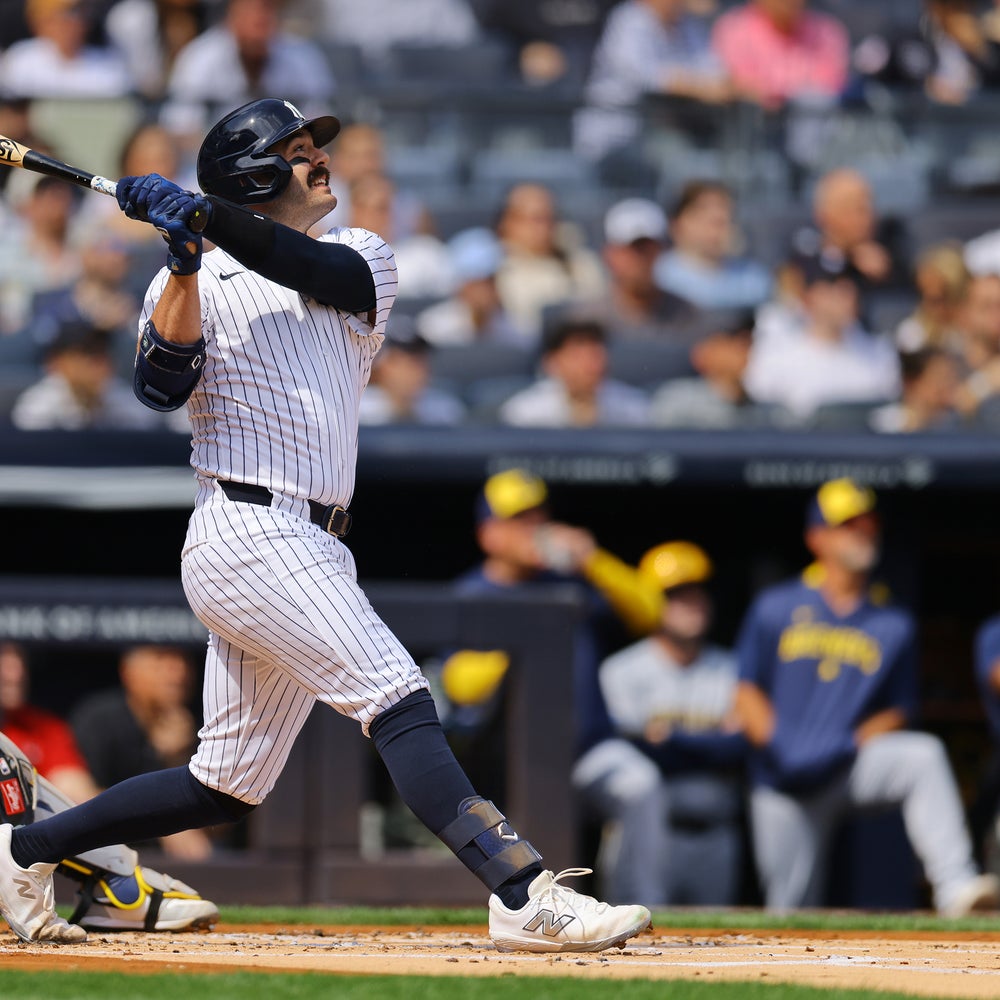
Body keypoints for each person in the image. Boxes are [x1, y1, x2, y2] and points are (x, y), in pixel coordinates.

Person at [0, 97, 651, 951]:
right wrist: (190, 261)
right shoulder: (180, 280)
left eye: (315, 148)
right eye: (299, 151)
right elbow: (161, 385)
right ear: (256, 172)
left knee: (224, 787)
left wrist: (212, 220)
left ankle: (24, 849)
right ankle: (522, 892)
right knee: (397, 693)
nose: (320, 162)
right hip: (246, 527)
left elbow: (311, 271)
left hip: (311, 539)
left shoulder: (359, 255)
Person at [733, 477, 1000, 915]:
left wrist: (848, 742)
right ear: (816, 537)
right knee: (790, 908)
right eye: (848, 524)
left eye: (868, 522)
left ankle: (957, 888)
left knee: (922, 755)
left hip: (844, 765)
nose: (863, 532)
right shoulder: (776, 606)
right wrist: (782, 747)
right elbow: (746, 692)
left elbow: (899, 709)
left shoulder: (892, 621)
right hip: (780, 775)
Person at [446, 469, 666, 906]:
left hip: (587, 751)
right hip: (515, 764)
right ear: (489, 534)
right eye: (518, 520)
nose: (533, 529)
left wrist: (592, 558)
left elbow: (651, 611)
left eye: (537, 517)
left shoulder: (568, 582)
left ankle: (640, 907)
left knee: (641, 785)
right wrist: (523, 642)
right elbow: (459, 684)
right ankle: (521, 910)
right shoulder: (474, 592)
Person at [0, 641, 218, 932]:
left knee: (26, 783)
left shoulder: (41, 727)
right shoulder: (102, 718)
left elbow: (74, 791)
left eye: (18, 660)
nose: (15, 672)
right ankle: (122, 885)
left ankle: (119, 882)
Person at [598, 541, 747, 905]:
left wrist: (671, 740)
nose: (690, 604)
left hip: (716, 832)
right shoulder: (621, 670)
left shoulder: (734, 669)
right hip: (647, 835)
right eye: (676, 594)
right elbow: (635, 754)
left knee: (718, 950)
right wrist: (709, 743)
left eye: (696, 592)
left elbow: (742, 748)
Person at [69, 645, 212, 861]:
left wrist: (176, 759)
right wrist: (162, 822)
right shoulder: (100, 719)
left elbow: (222, 819)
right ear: (129, 672)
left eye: (183, 661)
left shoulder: (203, 722)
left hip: (179, 862)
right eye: (161, 659)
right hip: (110, 856)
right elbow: (80, 799)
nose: (178, 672)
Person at [743, 257, 901, 423]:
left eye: (850, 286)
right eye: (833, 287)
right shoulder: (774, 355)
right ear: (808, 297)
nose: (847, 295)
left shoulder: (880, 353)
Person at [573, 0, 733, 163]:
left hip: (663, 131)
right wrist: (697, 87)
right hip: (614, 135)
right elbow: (643, 76)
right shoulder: (630, 18)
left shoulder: (688, 23)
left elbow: (714, 71)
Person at [570, 197, 698, 342]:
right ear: (610, 254)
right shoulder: (586, 320)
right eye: (633, 249)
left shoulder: (688, 315)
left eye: (649, 249)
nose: (641, 260)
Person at [11, 320, 173, 431]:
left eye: (102, 352)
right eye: (87, 354)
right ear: (58, 362)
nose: (98, 362)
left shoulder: (120, 397)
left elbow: (148, 427)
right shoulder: (38, 405)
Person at [494, 182, 606, 341]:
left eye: (550, 218)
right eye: (536, 219)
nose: (545, 227)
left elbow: (598, 313)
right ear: (508, 222)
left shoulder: (582, 263)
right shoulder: (493, 268)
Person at [498, 316, 652, 428]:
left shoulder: (634, 410)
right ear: (551, 363)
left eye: (595, 354)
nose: (590, 364)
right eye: (577, 356)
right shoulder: (524, 414)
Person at [649, 309, 790, 429]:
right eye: (732, 338)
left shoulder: (771, 414)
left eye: (749, 338)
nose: (746, 346)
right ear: (704, 351)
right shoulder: (676, 405)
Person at [654, 180, 773, 313]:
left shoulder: (754, 279)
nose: (717, 225)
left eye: (726, 216)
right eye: (703, 213)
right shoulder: (656, 277)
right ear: (676, 224)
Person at [710, 0, 850, 110]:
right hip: (755, 132)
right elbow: (742, 85)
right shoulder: (734, 29)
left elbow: (831, 86)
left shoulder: (827, 32)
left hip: (817, 133)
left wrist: (780, 94)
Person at [415, 227, 528, 348]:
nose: (493, 288)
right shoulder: (431, 330)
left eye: (494, 280)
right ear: (463, 285)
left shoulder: (514, 329)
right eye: (485, 281)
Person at [0, 0, 135, 99]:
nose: (74, 21)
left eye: (81, 12)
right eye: (67, 14)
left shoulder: (111, 66)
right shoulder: (19, 61)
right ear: (42, 20)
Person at [358, 316, 466, 426]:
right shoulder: (358, 411)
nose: (415, 371)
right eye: (405, 362)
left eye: (420, 360)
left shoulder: (445, 411)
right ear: (383, 365)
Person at [868, 347, 963, 434]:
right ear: (912, 382)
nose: (948, 385)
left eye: (952, 378)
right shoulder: (881, 426)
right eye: (940, 378)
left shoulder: (958, 426)